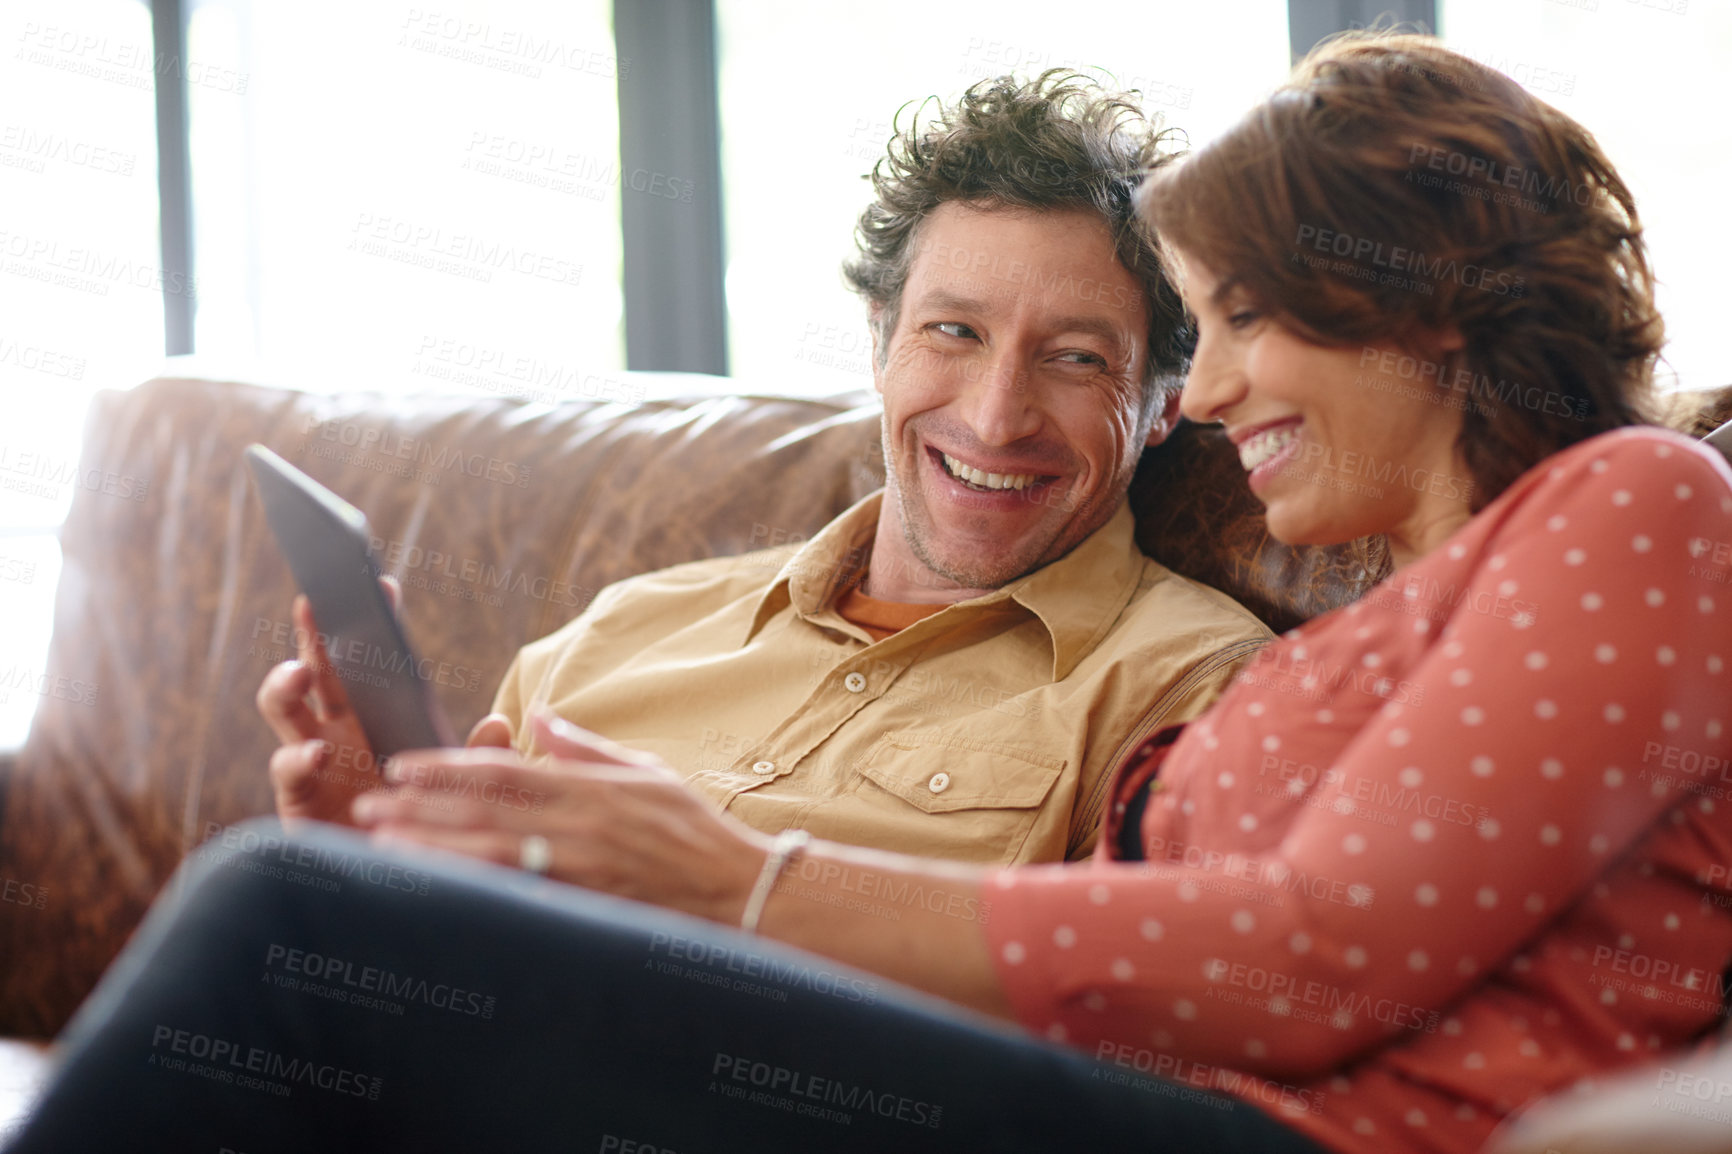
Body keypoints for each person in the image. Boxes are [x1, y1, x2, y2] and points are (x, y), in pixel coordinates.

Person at [9, 31, 1731, 1154]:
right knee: (314, 909)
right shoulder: (1375, 628)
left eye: (1236, 327)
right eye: (1196, 339)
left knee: (288, 916)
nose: (1205, 397)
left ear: (1420, 302)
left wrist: (736, 872)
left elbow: (1318, 952)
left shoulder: (1642, 501)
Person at [258, 71, 1271, 870]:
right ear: (881, 341)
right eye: (952, 331)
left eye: (1075, 357)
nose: (995, 415)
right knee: (270, 887)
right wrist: (361, 855)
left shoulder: (1193, 686)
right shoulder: (617, 636)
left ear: (1162, 405)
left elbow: (1111, 1040)